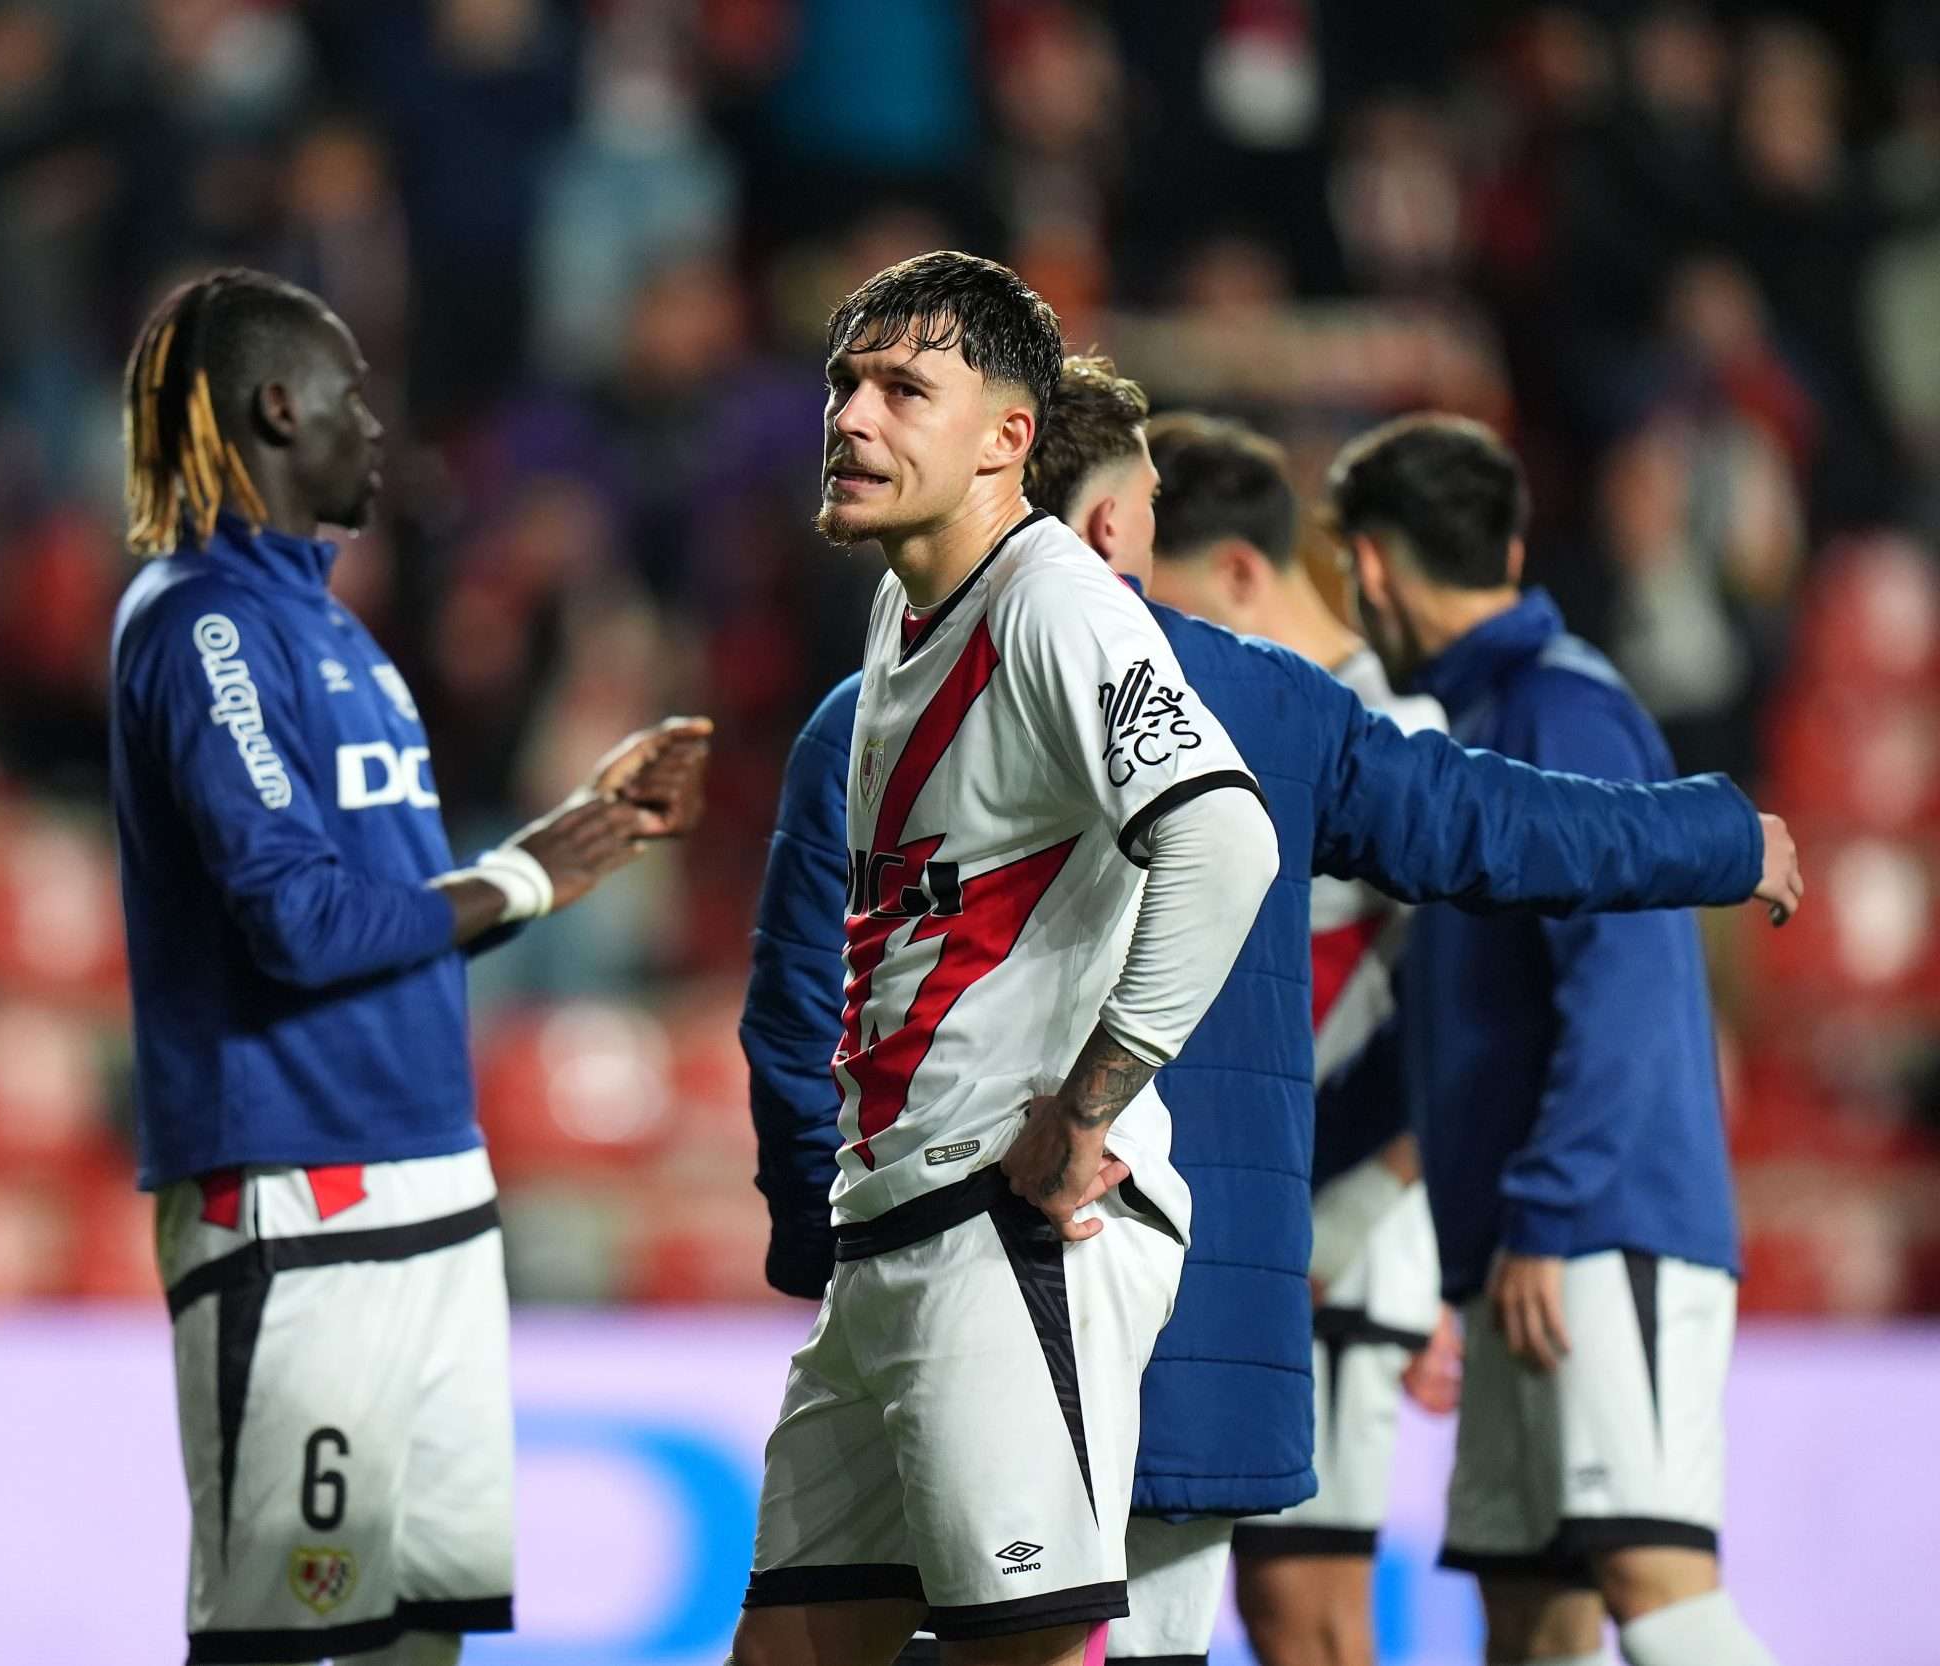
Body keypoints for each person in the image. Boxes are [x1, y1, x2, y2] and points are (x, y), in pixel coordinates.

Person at [742, 360, 1803, 1665]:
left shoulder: (858, 718)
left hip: (937, 1280)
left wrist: (825, 1245)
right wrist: (1712, 833)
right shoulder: (1265, 701)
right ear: (1115, 522)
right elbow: (1499, 826)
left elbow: (801, 1017)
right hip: (1196, 1320)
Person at [107, 267, 710, 1666]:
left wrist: (566, 838)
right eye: (348, 397)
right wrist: (522, 879)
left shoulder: (342, 634)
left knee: (421, 1640)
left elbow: (388, 899)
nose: (376, 428)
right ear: (275, 407)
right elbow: (300, 921)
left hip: (434, 1178)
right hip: (295, 1194)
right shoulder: (202, 621)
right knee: (279, 1638)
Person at [734, 252, 1282, 1666]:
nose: (852, 417)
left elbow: (1227, 840)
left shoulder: (1053, 604)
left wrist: (1091, 1103)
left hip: (1005, 1229)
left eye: (905, 389)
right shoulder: (908, 604)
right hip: (894, 1236)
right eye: (846, 382)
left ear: (1008, 439)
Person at [1328, 413, 1782, 1666]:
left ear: (1367, 565)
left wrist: (1550, 1206)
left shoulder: (1557, 712)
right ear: (1511, 543)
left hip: (1597, 1227)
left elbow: (1625, 978)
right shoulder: (1474, 729)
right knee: (1533, 1618)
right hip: (1523, 1245)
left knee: (1656, 1579)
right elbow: (1441, 1020)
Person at [1134, 413, 1450, 1666]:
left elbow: (1454, 1006)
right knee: (1261, 1606)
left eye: (1163, 608)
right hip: (1262, 1226)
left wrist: (1363, 1211)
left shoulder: (1394, 737)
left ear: (1238, 578)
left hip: (1334, 1235)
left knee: (1306, 1615)